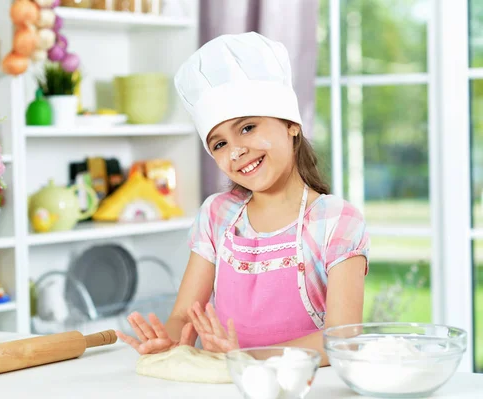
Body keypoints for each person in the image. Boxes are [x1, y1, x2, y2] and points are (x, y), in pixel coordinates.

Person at [115, 32, 369, 366]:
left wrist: (246, 358)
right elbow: (183, 316)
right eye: (219, 144)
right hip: (229, 384)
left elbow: (343, 337)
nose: (236, 151)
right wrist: (171, 341)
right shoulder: (217, 215)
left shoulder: (336, 221)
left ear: (291, 124)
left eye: (247, 127)